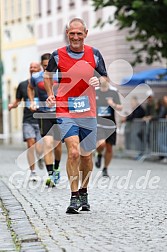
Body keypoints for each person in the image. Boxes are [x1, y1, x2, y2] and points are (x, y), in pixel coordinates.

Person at [44, 18, 108, 214]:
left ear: (86, 33)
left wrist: (99, 82)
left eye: (79, 33)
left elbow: (105, 80)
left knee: (87, 157)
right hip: (65, 109)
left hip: (88, 111)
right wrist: (50, 94)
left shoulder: (94, 54)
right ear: (67, 33)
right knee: (73, 152)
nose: (75, 37)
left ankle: (84, 191)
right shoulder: (58, 55)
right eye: (72, 33)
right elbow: (48, 75)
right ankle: (73, 197)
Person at [27, 53, 62, 187]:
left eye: (50, 65)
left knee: (57, 145)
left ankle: (57, 167)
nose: (48, 68)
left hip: (59, 114)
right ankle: (51, 175)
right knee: (48, 143)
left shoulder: (60, 76)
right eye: (46, 66)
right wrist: (31, 101)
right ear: (42, 65)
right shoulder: (36, 77)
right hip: (44, 114)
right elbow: (30, 88)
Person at [8, 62, 44, 180]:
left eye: (35, 67)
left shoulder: (43, 84)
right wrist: (11, 105)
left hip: (41, 120)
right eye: (31, 67)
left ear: (40, 69)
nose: (32, 69)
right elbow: (17, 100)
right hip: (27, 120)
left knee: (39, 148)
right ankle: (33, 172)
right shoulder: (23, 85)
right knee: (30, 145)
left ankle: (40, 157)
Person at [95, 82, 122, 177]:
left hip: (111, 125)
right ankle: (98, 154)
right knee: (101, 144)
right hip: (99, 124)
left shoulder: (113, 92)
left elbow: (120, 107)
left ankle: (105, 168)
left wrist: (113, 104)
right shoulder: (95, 92)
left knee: (109, 148)